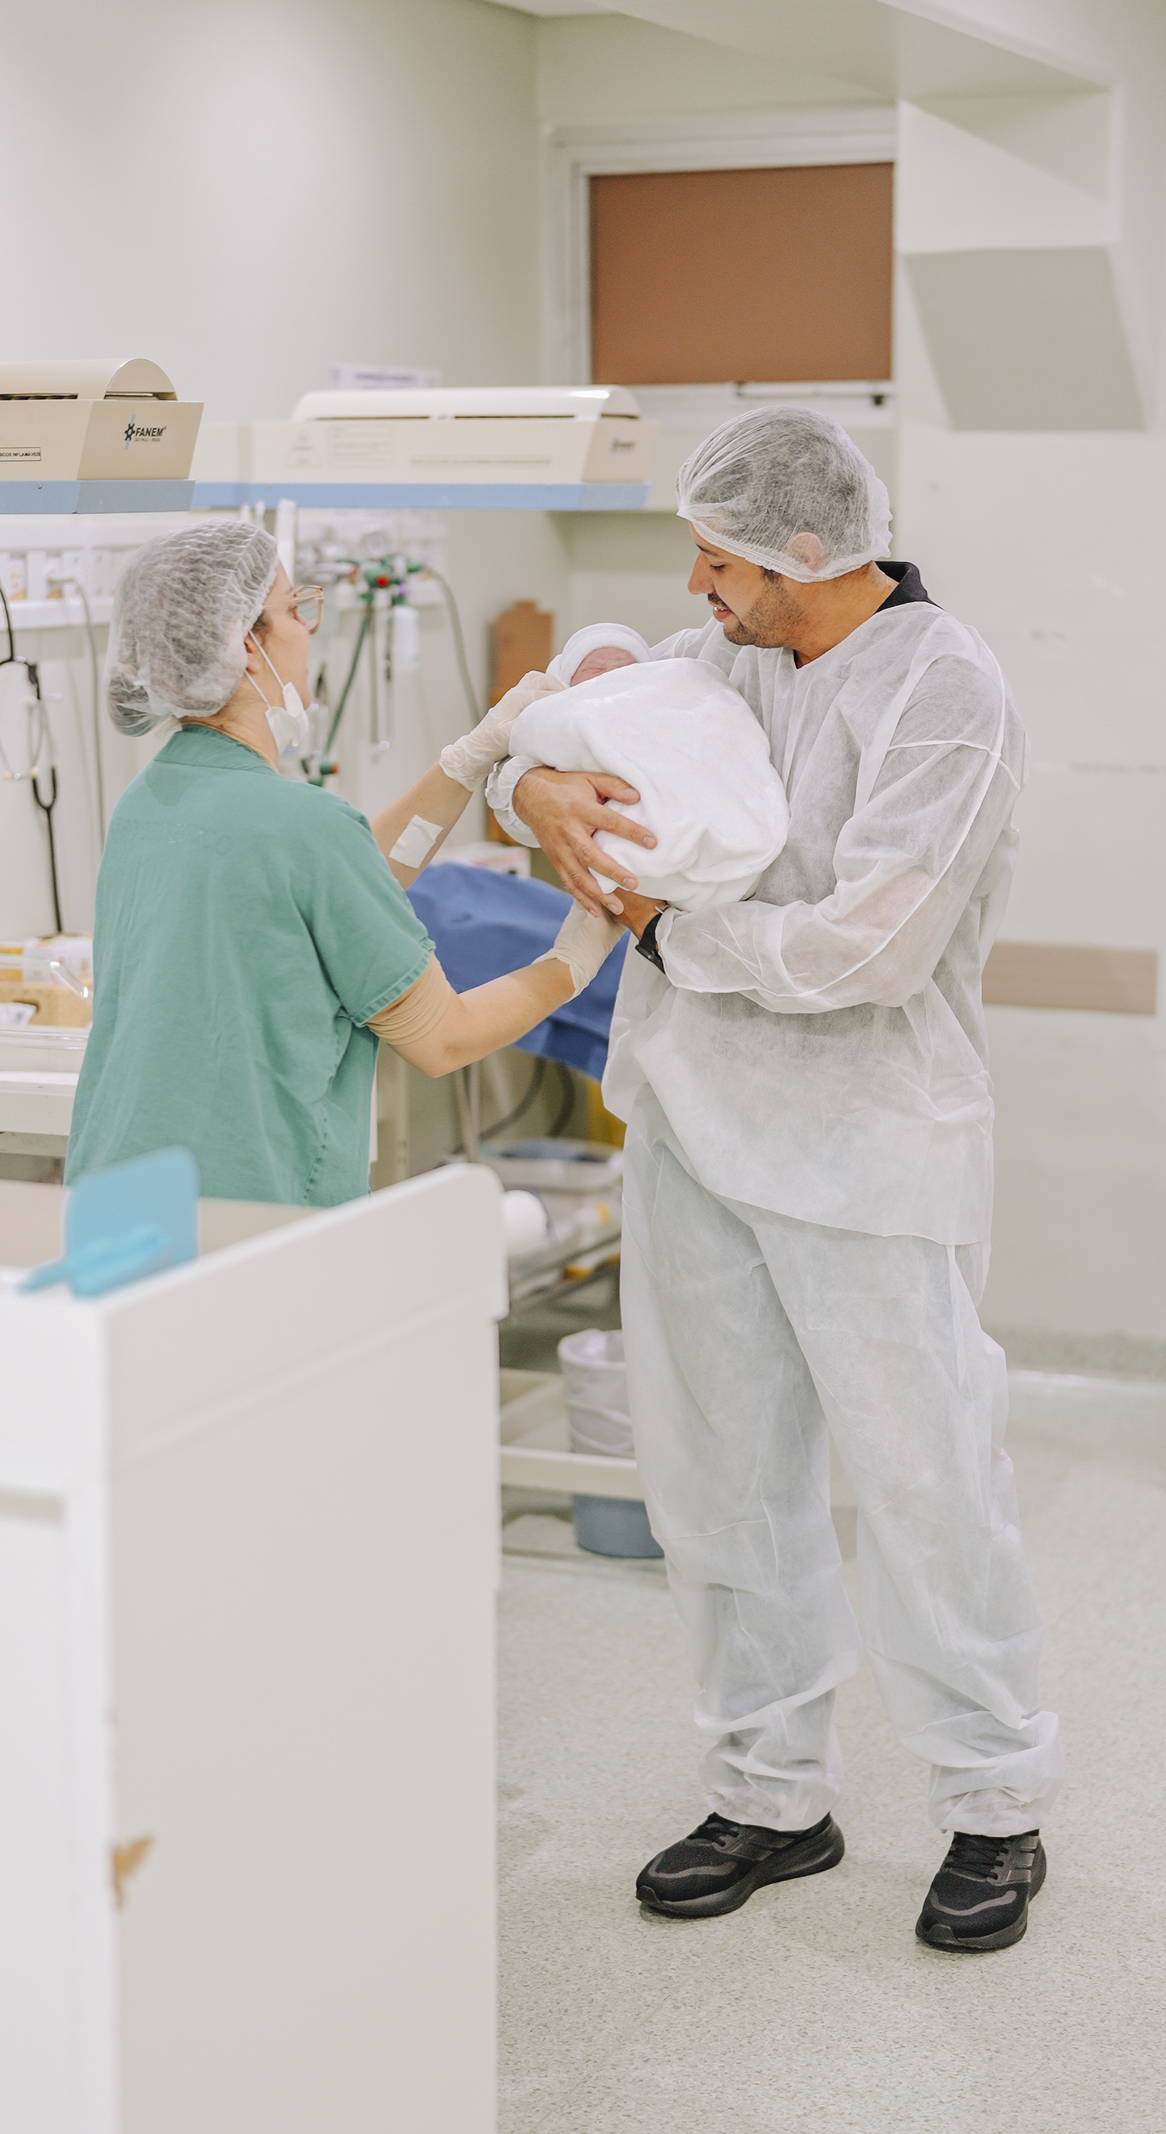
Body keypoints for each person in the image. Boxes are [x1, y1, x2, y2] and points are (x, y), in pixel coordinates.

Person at [488, 406, 1062, 1954]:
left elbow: (876, 945)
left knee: (930, 1481)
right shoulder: (722, 660)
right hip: (693, 1125)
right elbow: (556, 729)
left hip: (870, 1143)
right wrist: (535, 794)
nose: (698, 583)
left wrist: (671, 933)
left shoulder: (946, 691)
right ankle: (769, 1791)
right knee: (719, 1477)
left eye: (720, 557)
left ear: (808, 550)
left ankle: (994, 1805)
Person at [65, 520, 621, 1205]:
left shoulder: (147, 804)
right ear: (245, 647)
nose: (308, 631)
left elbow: (344, 877)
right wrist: (574, 961)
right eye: (294, 609)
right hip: (251, 1211)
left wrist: (470, 756)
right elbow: (442, 1039)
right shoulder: (304, 828)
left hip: (115, 1197)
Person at [508, 625, 788, 913]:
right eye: (597, 668)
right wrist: (529, 787)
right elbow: (522, 752)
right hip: (633, 854)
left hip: (720, 845)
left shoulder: (684, 683)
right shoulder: (567, 709)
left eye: (628, 669)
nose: (613, 675)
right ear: (565, 683)